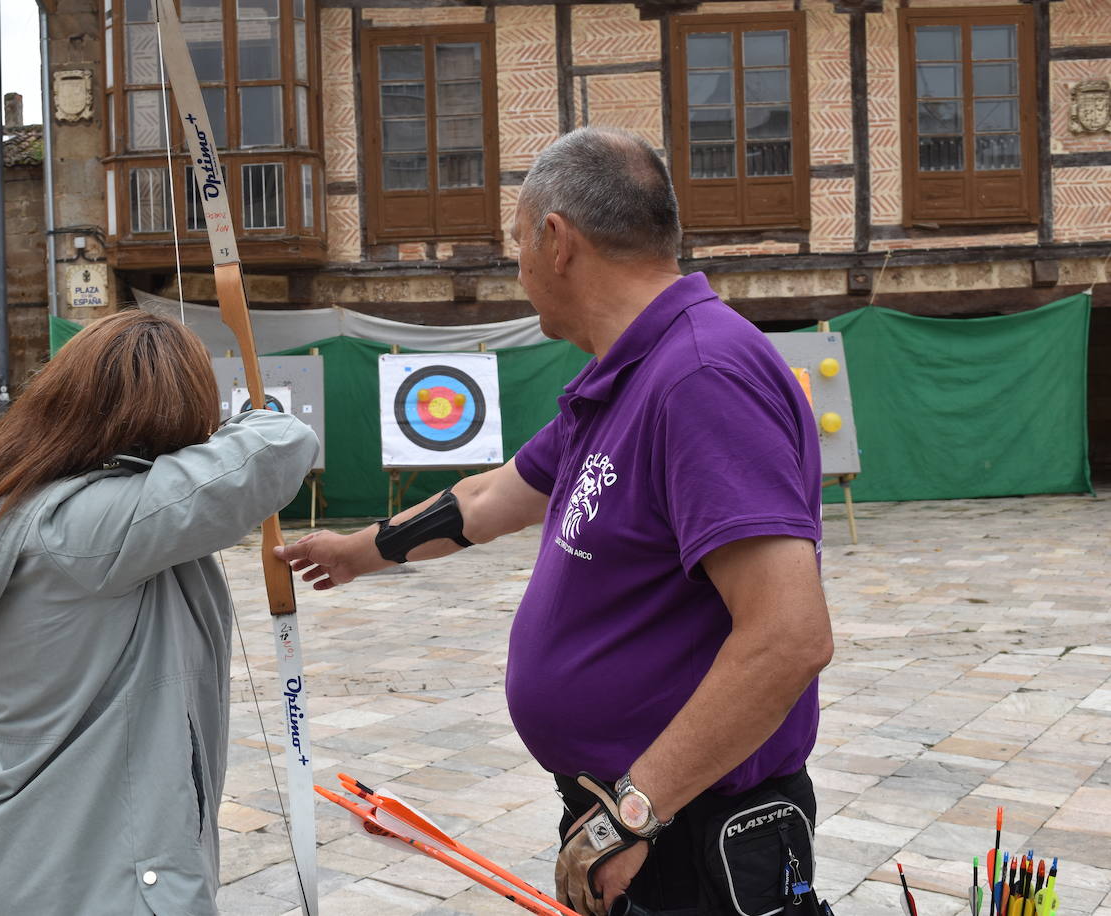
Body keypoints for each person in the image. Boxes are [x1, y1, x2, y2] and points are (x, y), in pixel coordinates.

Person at [274, 127, 833, 916]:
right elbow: (488, 499)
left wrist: (634, 814)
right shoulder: (627, 373)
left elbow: (788, 637)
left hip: (688, 833)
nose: (519, 270)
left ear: (556, 239)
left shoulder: (700, 376)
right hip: (636, 822)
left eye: (516, 246)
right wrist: (354, 552)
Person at [0, 310, 318, 915]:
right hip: (107, 868)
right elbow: (281, 445)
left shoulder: (16, 498)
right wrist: (248, 416)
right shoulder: (92, 526)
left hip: (28, 844)